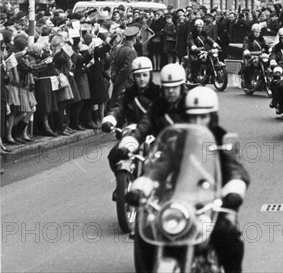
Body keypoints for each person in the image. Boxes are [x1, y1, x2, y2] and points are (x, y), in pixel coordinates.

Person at [124, 85, 250, 273]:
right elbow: (158, 167)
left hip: (211, 207)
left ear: (212, 117)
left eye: (203, 116)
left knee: (226, 233)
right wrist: (143, 185)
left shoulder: (222, 141)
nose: (197, 121)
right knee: (148, 229)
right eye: (192, 116)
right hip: (177, 202)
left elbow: (235, 170)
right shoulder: (176, 142)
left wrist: (234, 190)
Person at [102, 56, 161, 199]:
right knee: (114, 155)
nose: (141, 79)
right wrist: (111, 120)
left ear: (150, 75)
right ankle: (121, 183)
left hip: (154, 132)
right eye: (138, 75)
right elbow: (118, 107)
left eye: (144, 75)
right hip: (132, 130)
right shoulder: (128, 93)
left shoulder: (158, 93)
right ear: (133, 77)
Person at [109, 26, 139, 109]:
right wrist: (118, 79)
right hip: (126, 83)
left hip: (118, 82)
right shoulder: (131, 51)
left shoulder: (119, 48)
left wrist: (114, 77)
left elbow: (113, 63)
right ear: (134, 38)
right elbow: (127, 69)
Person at [268, 28, 283, 107]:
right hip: (279, 68)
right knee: (274, 82)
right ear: (280, 38)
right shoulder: (276, 48)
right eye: (282, 38)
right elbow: (273, 55)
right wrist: (273, 61)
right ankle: (275, 100)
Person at [240, 24, 267, 89]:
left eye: (259, 32)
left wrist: (270, 48)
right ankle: (247, 81)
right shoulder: (248, 38)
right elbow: (245, 45)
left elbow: (265, 45)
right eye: (256, 32)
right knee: (249, 66)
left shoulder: (261, 39)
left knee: (266, 64)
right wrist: (246, 50)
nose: (257, 33)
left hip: (259, 56)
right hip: (250, 56)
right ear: (252, 31)